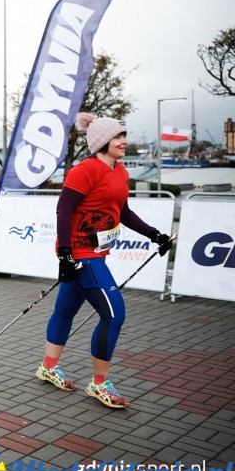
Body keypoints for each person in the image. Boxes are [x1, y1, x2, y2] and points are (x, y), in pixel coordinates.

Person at [37, 113, 172, 409]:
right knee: (114, 315)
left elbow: (122, 211)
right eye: (118, 137)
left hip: (96, 252)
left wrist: (154, 234)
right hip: (81, 254)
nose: (124, 141)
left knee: (65, 311)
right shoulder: (85, 170)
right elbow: (64, 210)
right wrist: (65, 254)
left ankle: (48, 367)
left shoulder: (120, 172)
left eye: (124, 135)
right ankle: (99, 384)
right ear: (102, 142)